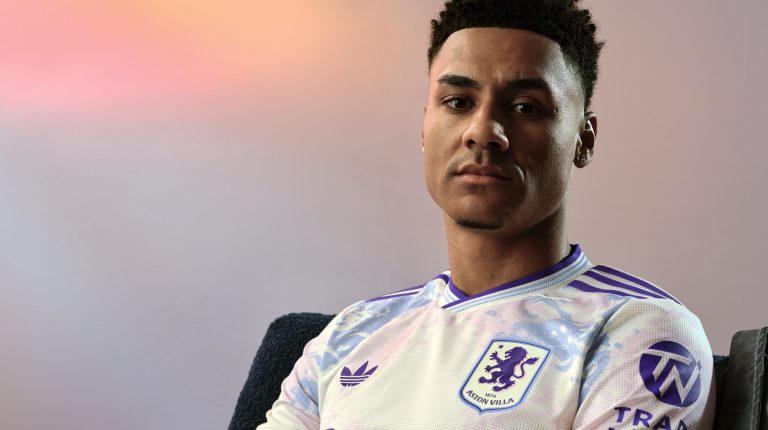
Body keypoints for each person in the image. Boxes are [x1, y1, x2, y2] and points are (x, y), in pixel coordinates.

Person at [258, 0, 714, 428]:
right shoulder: (350, 334)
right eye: (458, 102)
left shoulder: (639, 330)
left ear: (584, 140)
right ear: (424, 128)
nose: (483, 132)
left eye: (525, 107)